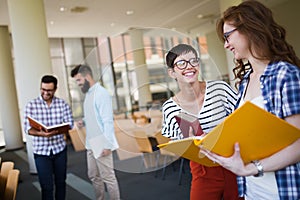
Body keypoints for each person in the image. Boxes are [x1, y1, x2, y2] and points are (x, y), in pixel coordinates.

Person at [200, 1, 300, 200]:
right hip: (252, 191)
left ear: (250, 29)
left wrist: (253, 168)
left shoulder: (285, 75)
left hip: (282, 191)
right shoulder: (245, 80)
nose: (226, 45)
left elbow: (298, 144)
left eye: (228, 36)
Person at [161, 44, 241, 200]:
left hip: (233, 162)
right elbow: (176, 144)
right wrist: (190, 142)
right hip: (202, 170)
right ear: (172, 72)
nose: (189, 67)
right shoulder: (169, 108)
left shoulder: (220, 89)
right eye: (181, 63)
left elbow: (241, 120)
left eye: (193, 61)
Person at [70, 64, 120, 200]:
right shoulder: (89, 94)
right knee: (93, 175)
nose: (78, 84)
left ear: (87, 77)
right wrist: (84, 121)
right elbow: (95, 115)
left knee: (108, 177)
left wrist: (107, 145)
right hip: (91, 143)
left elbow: (107, 121)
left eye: (79, 80)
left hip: (101, 141)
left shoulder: (101, 93)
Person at [24, 75, 74, 200]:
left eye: (49, 90)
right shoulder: (31, 105)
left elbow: (70, 124)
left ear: (55, 89)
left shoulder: (63, 104)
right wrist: (42, 134)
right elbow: (27, 128)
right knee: (46, 187)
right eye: (43, 89)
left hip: (59, 151)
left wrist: (57, 130)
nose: (45, 93)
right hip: (41, 152)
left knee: (61, 183)